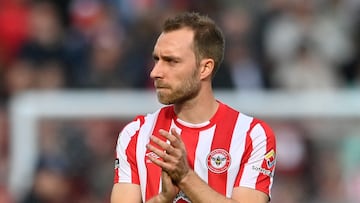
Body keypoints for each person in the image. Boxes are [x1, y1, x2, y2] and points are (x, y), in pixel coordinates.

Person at [111, 12, 276, 203]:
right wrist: (162, 200)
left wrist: (185, 177)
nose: (155, 72)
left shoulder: (252, 135)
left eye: (171, 61)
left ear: (204, 68)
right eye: (157, 59)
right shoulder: (136, 134)